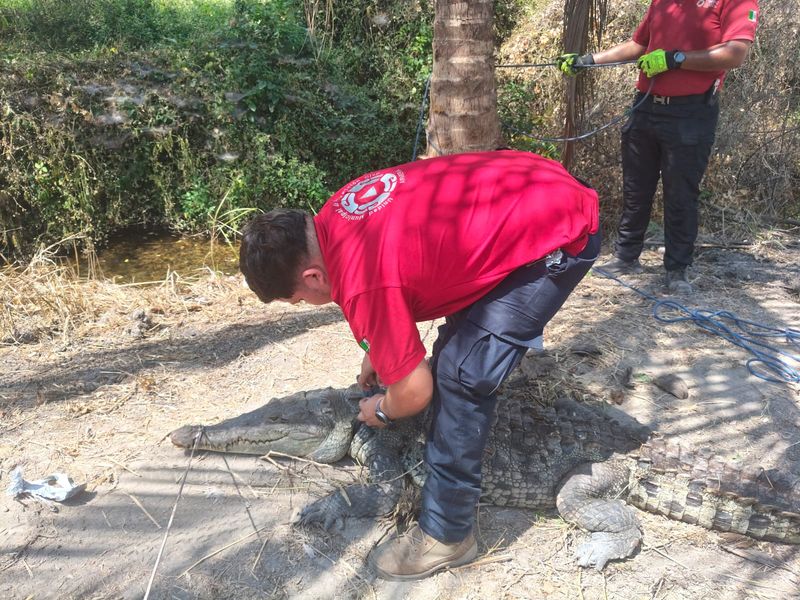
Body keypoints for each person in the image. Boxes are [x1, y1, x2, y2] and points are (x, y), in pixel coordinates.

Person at [238, 150, 600, 580]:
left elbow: (414, 390)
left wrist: (384, 409)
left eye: (298, 298)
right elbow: (403, 266)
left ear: (313, 277)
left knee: (463, 376)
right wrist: (378, 346)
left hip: (557, 234)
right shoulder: (336, 211)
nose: (307, 304)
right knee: (455, 354)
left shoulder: (361, 282)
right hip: (533, 187)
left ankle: (448, 536)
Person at [557, 0, 758, 293]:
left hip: (691, 112)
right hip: (645, 106)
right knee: (636, 187)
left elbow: (735, 53)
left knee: (681, 193)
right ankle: (626, 257)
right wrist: (587, 60)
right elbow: (638, 45)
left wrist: (675, 58)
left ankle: (677, 270)